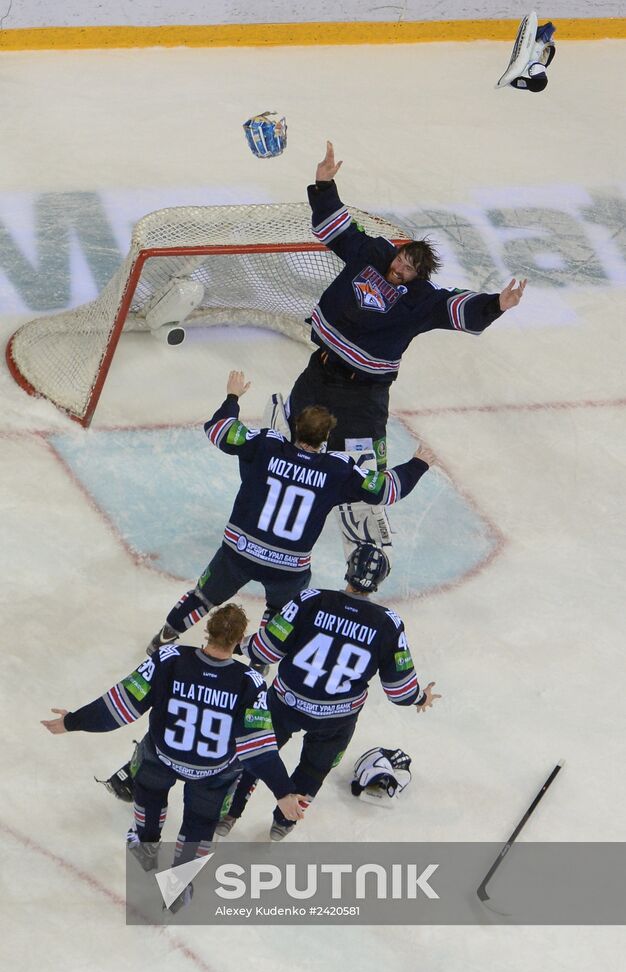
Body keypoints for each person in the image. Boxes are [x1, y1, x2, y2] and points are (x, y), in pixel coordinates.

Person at [146, 369, 436, 656]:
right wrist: (418, 464)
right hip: (288, 568)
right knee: (279, 615)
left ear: (296, 426)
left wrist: (232, 397)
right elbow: (386, 490)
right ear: (326, 438)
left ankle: (163, 638)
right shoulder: (337, 469)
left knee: (202, 598)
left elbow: (219, 429)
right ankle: (260, 663)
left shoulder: (266, 445)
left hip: (239, 551)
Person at [280, 141, 526, 471]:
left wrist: (497, 304)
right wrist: (324, 184)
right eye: (400, 260)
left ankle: (361, 496)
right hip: (321, 369)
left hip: (365, 392)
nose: (398, 268)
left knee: (364, 467)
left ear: (417, 276)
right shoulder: (371, 254)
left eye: (408, 269)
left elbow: (456, 308)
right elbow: (337, 227)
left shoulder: (422, 301)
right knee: (299, 435)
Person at [41, 604, 305, 907]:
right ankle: (177, 888)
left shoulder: (169, 658)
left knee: (150, 796)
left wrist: (72, 721)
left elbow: (120, 705)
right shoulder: (251, 681)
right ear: (239, 639)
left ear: (207, 630)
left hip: (161, 758)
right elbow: (258, 747)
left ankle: (146, 846)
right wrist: (283, 792)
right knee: (200, 823)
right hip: (213, 772)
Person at [215, 543, 441, 842]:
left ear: (348, 570)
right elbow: (399, 690)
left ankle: (228, 814)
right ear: (379, 581)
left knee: (256, 753)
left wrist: (239, 644)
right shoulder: (388, 623)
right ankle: (283, 823)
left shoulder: (311, 599)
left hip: (285, 702)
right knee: (314, 769)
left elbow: (266, 649)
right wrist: (420, 698)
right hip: (336, 720)